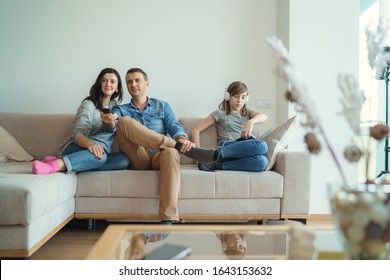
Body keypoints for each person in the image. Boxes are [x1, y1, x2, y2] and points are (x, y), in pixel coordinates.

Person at [102, 68, 218, 224]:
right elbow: (113, 122)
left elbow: (174, 127)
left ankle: (167, 219)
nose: (133, 84)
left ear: (147, 83)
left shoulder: (162, 106)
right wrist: (110, 119)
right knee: (124, 122)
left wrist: (182, 139)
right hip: (138, 157)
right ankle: (176, 146)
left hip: (159, 155)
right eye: (129, 82)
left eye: (137, 80)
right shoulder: (121, 109)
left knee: (171, 153)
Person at [32, 68, 130, 174]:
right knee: (100, 157)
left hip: (98, 153)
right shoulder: (89, 104)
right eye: (104, 80)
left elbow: (112, 128)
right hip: (77, 147)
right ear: (99, 84)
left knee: (123, 160)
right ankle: (55, 165)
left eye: (112, 81)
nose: (108, 84)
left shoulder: (115, 107)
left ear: (117, 88)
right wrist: (90, 145)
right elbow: (77, 132)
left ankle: (77, 163)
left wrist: (110, 122)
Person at [190, 81, 269, 172]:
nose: (239, 100)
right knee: (262, 146)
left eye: (243, 97)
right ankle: (216, 153)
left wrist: (250, 122)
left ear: (247, 99)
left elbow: (264, 116)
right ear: (228, 96)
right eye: (236, 96)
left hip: (242, 150)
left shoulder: (248, 113)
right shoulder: (220, 113)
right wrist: (199, 154)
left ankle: (217, 165)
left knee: (262, 162)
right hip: (227, 144)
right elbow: (195, 130)